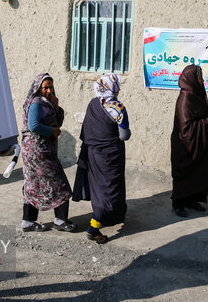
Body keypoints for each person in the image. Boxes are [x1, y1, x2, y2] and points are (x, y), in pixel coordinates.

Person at [72, 74, 131, 244]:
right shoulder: (118, 107)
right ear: (115, 87)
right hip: (111, 156)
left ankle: (112, 217)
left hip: (93, 155)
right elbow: (124, 135)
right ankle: (93, 227)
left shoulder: (93, 104)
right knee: (110, 190)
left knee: (101, 189)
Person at [21, 73, 75, 232]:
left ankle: (28, 222)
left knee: (32, 185)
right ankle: (60, 220)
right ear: (38, 88)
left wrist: (57, 108)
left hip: (40, 151)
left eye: (51, 87)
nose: (49, 90)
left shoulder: (47, 103)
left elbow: (57, 121)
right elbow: (34, 126)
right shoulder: (37, 103)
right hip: (38, 152)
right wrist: (51, 131)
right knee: (60, 185)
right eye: (45, 87)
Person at [170, 64, 208, 218]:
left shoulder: (196, 95)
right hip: (185, 145)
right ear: (192, 79)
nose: (202, 80)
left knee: (197, 172)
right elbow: (186, 128)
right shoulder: (185, 99)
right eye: (200, 77)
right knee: (184, 173)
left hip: (197, 145)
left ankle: (191, 200)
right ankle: (178, 204)